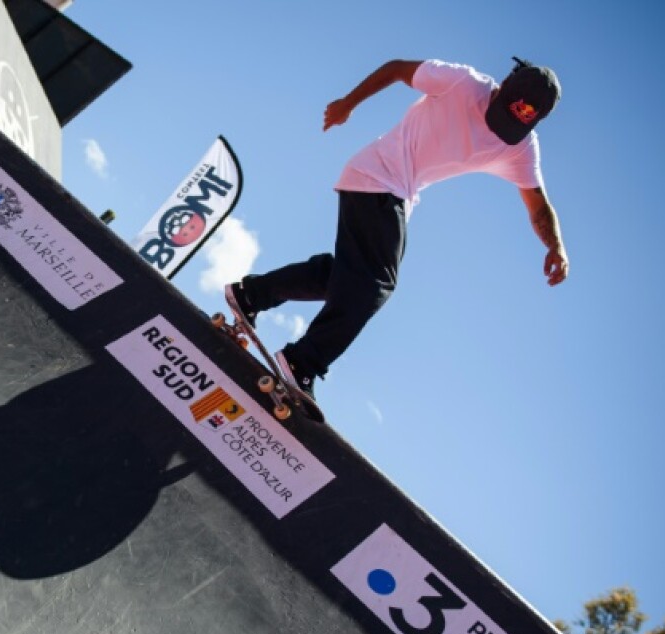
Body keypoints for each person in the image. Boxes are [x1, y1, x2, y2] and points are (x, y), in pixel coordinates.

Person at [227, 57, 566, 403]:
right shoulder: (463, 83)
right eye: (501, 116)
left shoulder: (520, 147)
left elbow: (538, 205)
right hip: (380, 176)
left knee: (349, 279)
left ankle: (252, 294)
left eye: (513, 126)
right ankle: (302, 362)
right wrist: (348, 103)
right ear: (503, 87)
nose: (498, 131)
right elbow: (396, 69)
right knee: (376, 283)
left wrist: (555, 246)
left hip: (393, 192)